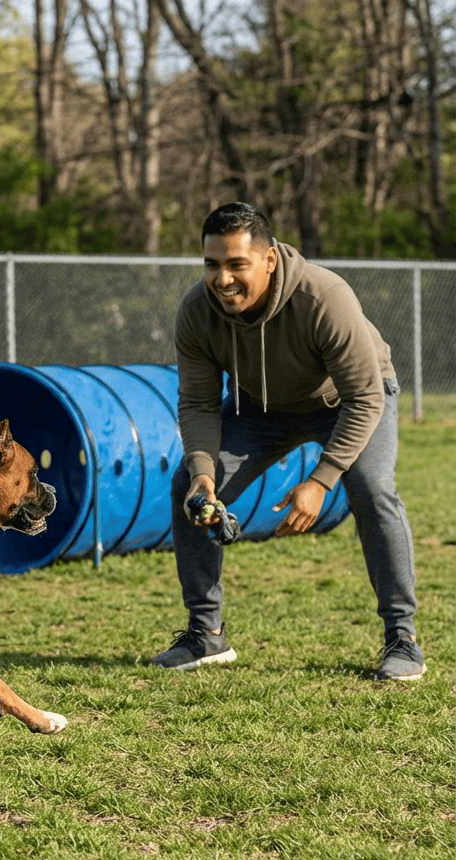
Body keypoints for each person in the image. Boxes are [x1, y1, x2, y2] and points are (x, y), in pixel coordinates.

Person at [150, 202, 424, 680]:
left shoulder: (323, 297)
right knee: (186, 490)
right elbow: (197, 402)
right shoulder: (197, 312)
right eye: (212, 264)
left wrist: (321, 480)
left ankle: (402, 638)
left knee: (371, 486)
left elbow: (365, 395)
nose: (223, 279)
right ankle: (206, 634)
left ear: (270, 260)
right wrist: (202, 475)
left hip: (349, 399)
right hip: (262, 409)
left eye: (237, 264)